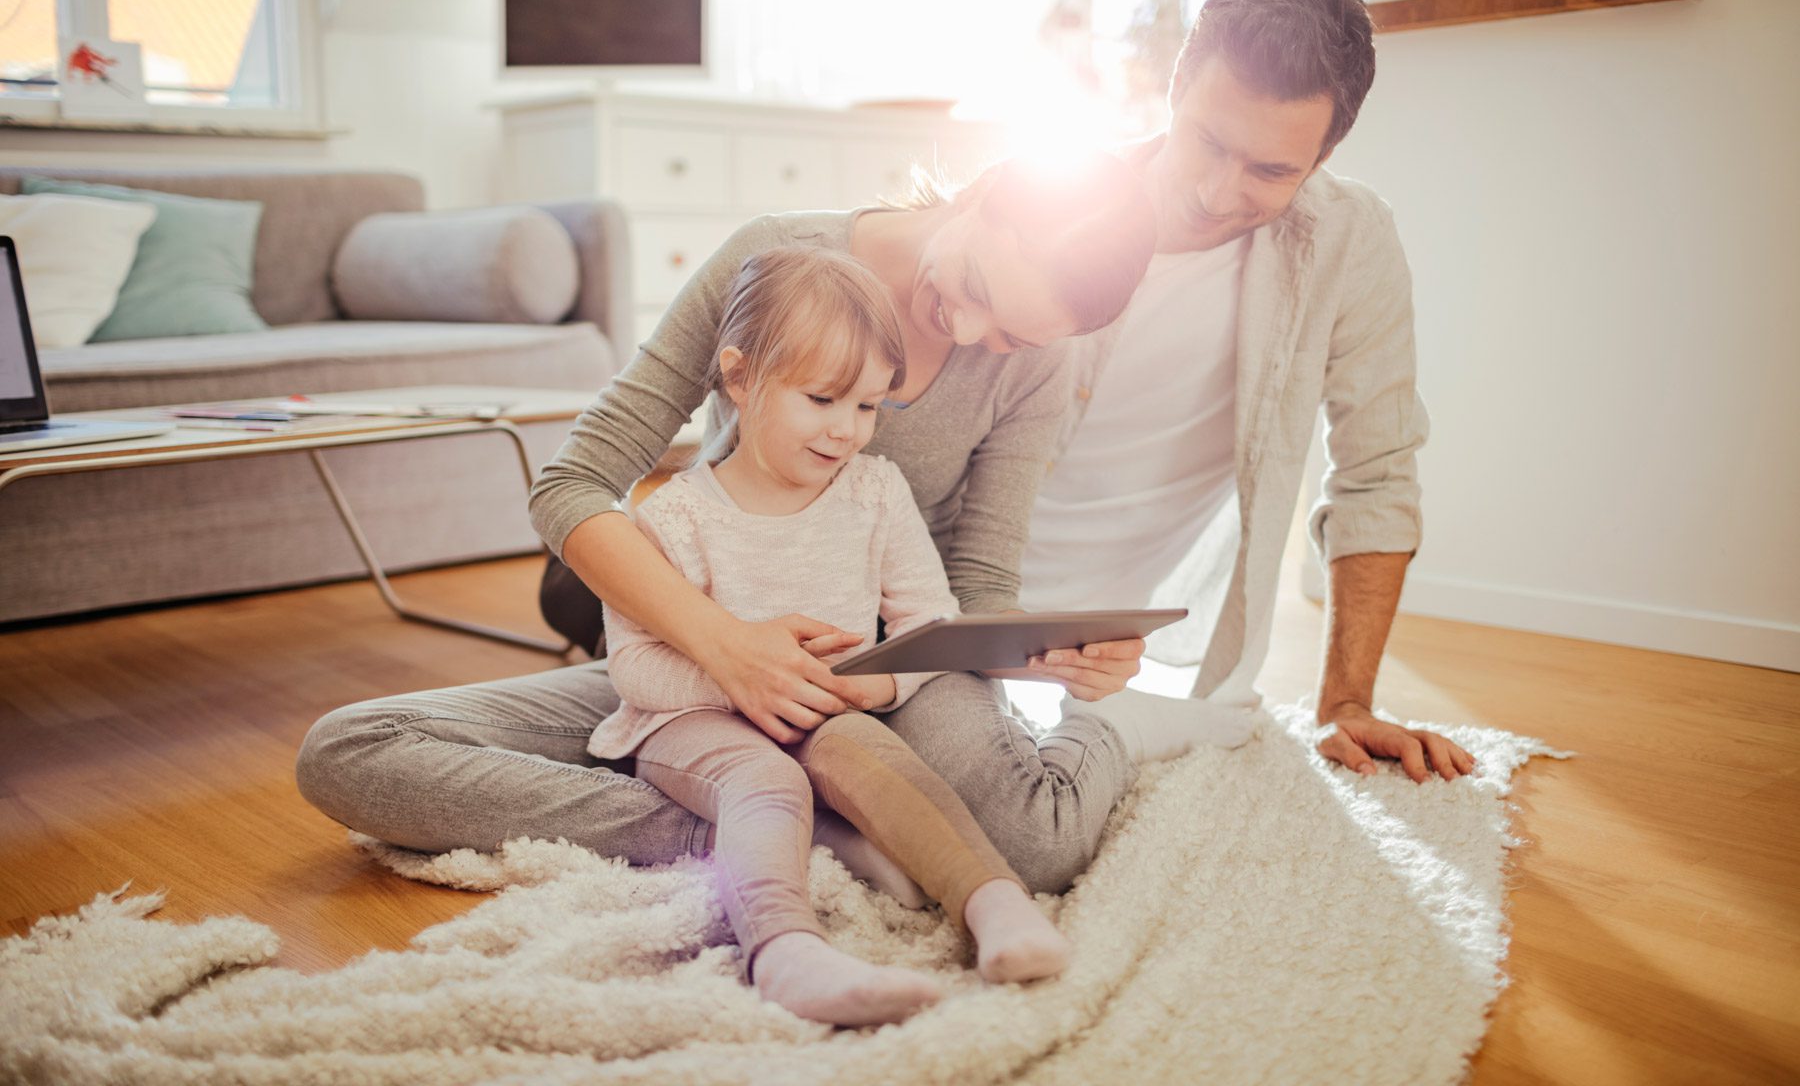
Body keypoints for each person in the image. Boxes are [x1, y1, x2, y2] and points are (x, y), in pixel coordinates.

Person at [297, 149, 1195, 897]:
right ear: (984, 194)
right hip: (707, 647)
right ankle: (796, 820)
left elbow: (978, 579)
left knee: (1038, 846)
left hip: (895, 665)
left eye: (1010, 335)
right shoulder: (774, 257)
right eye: (972, 287)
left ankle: (1082, 740)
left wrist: (1036, 649)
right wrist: (726, 648)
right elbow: (573, 483)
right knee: (354, 751)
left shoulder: (1038, 363)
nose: (967, 328)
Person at [1020, 0, 1476, 784]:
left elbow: (1375, 474)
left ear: (1325, 154)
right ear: (1177, 85)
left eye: (1271, 172)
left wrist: (1346, 704)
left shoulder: (1349, 242)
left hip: (1115, 662)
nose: (1215, 192)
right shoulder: (1052, 204)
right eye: (1209, 142)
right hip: (945, 605)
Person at [597, 246, 1069, 1026]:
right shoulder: (674, 519)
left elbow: (926, 619)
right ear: (740, 378)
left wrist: (877, 686)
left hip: (827, 707)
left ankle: (997, 907)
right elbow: (637, 670)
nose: (846, 430)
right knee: (766, 781)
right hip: (690, 720)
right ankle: (787, 953)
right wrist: (746, 679)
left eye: (867, 406)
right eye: (821, 399)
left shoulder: (876, 492)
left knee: (876, 754)